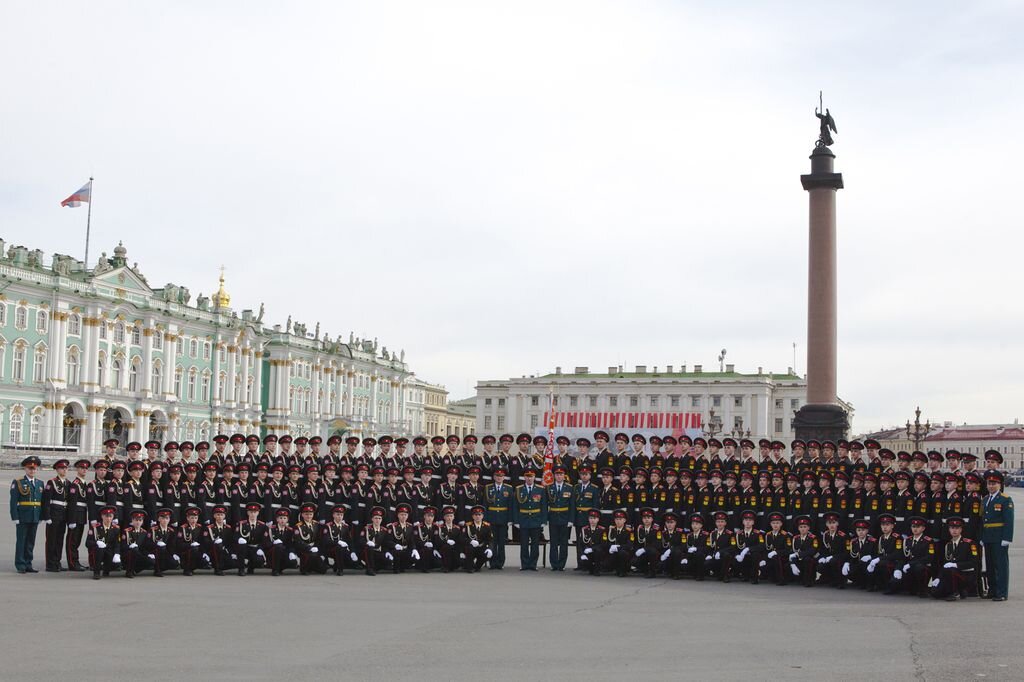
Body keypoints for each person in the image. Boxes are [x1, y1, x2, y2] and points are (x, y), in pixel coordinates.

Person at [981, 470, 1014, 601]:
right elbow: (983, 520)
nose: (991, 486)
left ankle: (1001, 592)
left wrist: (1007, 538)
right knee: (990, 565)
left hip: (999, 537)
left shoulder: (1005, 500)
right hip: (988, 536)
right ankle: (992, 590)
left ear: (999, 484)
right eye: (989, 483)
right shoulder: (985, 499)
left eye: (994, 483)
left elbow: (1009, 520)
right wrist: (982, 537)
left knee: (1000, 566)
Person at [931, 517, 979, 601]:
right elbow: (945, 564)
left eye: (957, 528)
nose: (954, 530)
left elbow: (974, 562)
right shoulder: (948, 545)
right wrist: (938, 577)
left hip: (965, 574)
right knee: (935, 593)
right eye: (952, 528)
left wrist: (956, 565)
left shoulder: (969, 544)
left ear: (961, 529)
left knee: (952, 570)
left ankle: (955, 592)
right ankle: (957, 590)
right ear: (949, 529)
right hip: (951, 574)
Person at [10, 455, 44, 574]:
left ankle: (28, 563)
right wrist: (15, 517)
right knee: (21, 541)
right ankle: (20, 564)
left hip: (35, 516)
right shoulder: (18, 482)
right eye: (30, 468)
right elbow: (13, 502)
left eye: (34, 469)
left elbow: (41, 502)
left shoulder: (40, 483)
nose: (32, 470)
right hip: (23, 516)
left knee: (31, 541)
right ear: (25, 469)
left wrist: (41, 516)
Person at [513, 469, 547, 571]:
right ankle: (524, 564)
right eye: (527, 476)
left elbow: (544, 506)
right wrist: (516, 521)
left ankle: (533, 564)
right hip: (523, 519)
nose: (529, 478)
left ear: (534, 478)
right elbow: (515, 507)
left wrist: (544, 521)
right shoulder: (519, 489)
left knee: (535, 544)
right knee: (524, 543)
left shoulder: (540, 489)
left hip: (536, 519)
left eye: (531, 476)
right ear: (524, 477)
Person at [41, 459, 70, 572]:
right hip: (53, 514)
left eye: (66, 468)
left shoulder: (68, 483)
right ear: (57, 470)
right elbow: (46, 501)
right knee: (51, 540)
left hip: (63, 515)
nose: (64, 470)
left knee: (59, 540)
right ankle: (50, 564)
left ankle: (57, 561)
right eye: (62, 468)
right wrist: (47, 516)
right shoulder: (51, 482)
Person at [545, 467, 574, 571]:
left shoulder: (570, 488)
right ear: (554, 476)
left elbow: (572, 506)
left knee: (563, 543)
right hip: (553, 517)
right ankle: (554, 564)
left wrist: (571, 520)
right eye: (557, 474)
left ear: (564, 476)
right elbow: (545, 505)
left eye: (561, 474)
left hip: (565, 518)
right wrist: (546, 519)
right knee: (553, 542)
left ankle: (561, 564)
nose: (559, 476)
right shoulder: (549, 487)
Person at [484, 467, 512, 569]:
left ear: (504, 477)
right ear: (494, 477)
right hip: (491, 518)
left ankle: (500, 563)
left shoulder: (508, 488)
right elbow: (485, 505)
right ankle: (492, 562)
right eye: (497, 476)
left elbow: (510, 505)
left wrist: (510, 519)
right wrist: (485, 520)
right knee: (492, 542)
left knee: (501, 542)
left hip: (503, 518)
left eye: (501, 476)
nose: (499, 478)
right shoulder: (488, 488)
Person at [86, 506, 122, 579]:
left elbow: (117, 543)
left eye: (110, 516)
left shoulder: (116, 529)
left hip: (109, 551)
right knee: (100, 550)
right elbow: (87, 543)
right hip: (98, 551)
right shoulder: (95, 527)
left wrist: (117, 554)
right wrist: (96, 543)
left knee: (118, 564)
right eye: (106, 516)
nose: (108, 519)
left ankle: (106, 569)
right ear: (102, 516)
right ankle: (97, 572)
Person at [462, 505, 493, 572]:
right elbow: (462, 538)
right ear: (473, 516)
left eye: (479, 515)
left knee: (486, 554)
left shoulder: (487, 526)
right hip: (471, 548)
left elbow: (490, 540)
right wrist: (470, 541)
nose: (478, 516)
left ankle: (477, 566)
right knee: (469, 549)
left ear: (482, 516)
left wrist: (490, 549)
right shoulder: (468, 525)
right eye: (475, 515)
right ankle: (469, 567)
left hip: (481, 547)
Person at [577, 510, 606, 576]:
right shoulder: (584, 529)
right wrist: (581, 554)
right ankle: (590, 568)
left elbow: (603, 544)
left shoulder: (602, 530)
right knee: (584, 560)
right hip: (587, 552)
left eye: (594, 518)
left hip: (597, 552)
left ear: (598, 519)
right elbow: (580, 543)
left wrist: (592, 549)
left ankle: (597, 569)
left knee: (598, 552)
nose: (592, 520)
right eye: (591, 518)